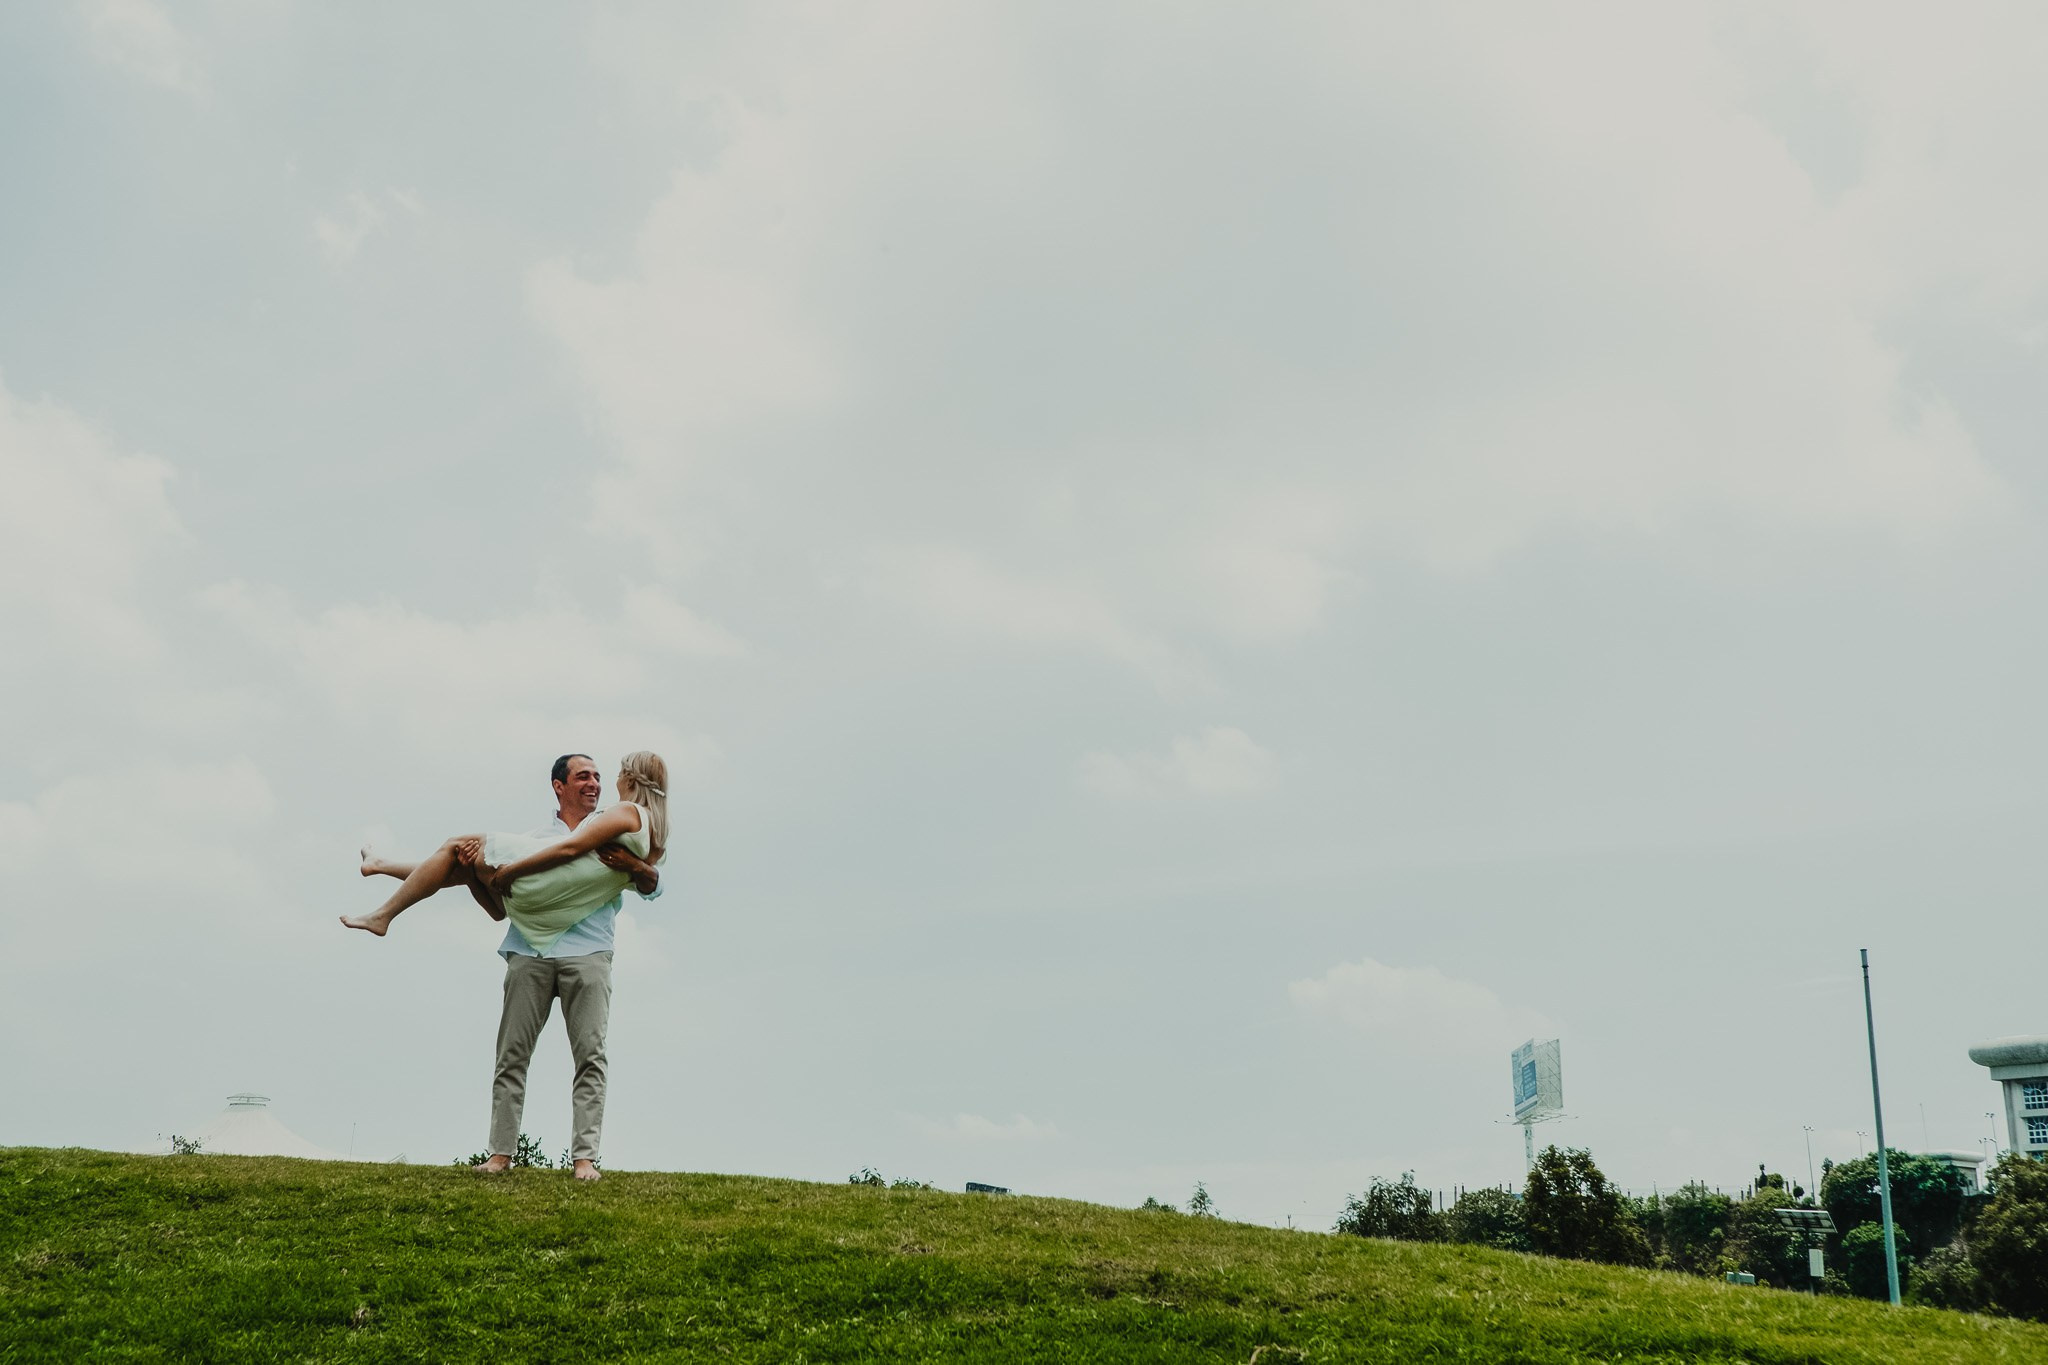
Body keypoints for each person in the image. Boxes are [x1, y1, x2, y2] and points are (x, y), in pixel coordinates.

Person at [350, 751, 668, 1181]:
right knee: (511, 1057)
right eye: (583, 777)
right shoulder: (534, 840)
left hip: (588, 952)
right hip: (529, 951)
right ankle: (500, 1155)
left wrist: (637, 867)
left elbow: (653, 884)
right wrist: (478, 877)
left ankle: (584, 1160)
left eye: (598, 775)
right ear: (559, 786)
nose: (594, 783)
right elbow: (499, 910)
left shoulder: (614, 826)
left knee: (590, 1057)